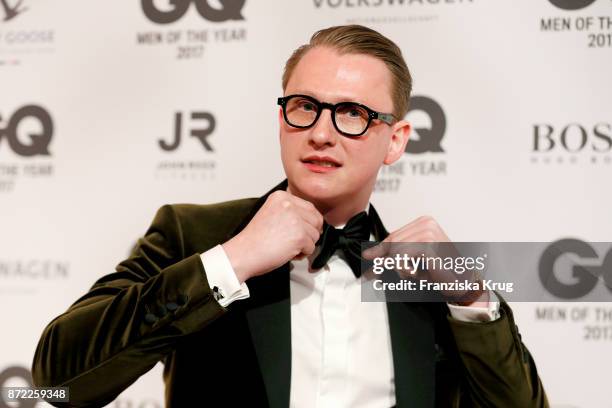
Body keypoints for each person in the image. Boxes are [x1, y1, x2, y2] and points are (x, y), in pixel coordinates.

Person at [32, 25, 548, 407]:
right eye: (305, 106)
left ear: (396, 141)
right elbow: (58, 380)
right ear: (282, 118)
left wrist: (470, 295)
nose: (321, 132)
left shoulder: (426, 276)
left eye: (352, 114)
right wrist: (230, 262)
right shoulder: (197, 235)